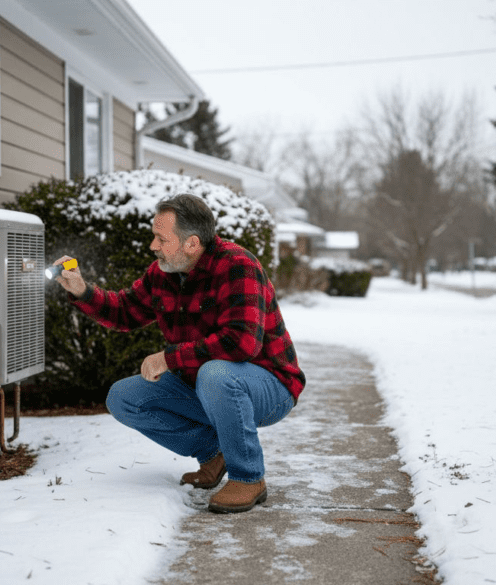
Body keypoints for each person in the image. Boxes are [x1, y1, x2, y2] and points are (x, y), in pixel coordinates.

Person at [50, 193, 305, 513]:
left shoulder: (238, 266)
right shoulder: (164, 273)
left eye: (161, 238)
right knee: (124, 396)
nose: (153, 246)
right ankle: (214, 454)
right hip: (206, 383)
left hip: (269, 383)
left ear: (192, 243)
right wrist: (82, 291)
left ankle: (248, 477)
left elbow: (241, 344)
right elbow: (125, 312)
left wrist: (169, 357)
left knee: (216, 372)